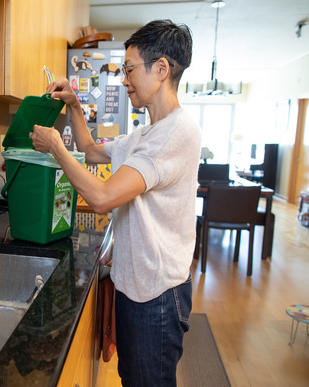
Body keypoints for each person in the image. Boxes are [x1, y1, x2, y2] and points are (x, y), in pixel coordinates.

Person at [30, 20, 201, 386]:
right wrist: (75, 104)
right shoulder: (145, 134)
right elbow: (92, 152)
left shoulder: (175, 133)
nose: (124, 79)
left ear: (161, 69)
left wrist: (57, 148)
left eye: (129, 69)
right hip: (138, 287)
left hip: (156, 296)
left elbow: (103, 197)